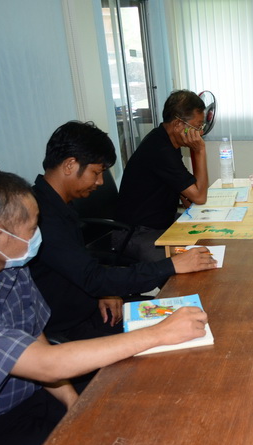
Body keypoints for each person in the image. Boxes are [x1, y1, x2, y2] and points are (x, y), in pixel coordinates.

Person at [0, 171, 209, 445]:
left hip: (37, 398)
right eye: (33, 228)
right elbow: (46, 363)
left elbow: (35, 335)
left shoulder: (10, 269)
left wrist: (71, 402)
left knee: (146, 413)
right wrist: (159, 333)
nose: (39, 236)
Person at [30, 121, 218, 342]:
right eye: (96, 172)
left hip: (92, 308)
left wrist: (102, 293)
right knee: (189, 327)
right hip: (72, 328)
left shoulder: (56, 204)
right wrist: (172, 265)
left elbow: (79, 268)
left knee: (192, 314)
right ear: (70, 165)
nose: (100, 181)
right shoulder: (39, 217)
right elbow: (93, 278)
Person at [115, 89, 210, 262]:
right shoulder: (160, 150)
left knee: (209, 238)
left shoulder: (166, 141)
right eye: (197, 127)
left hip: (160, 224)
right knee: (193, 262)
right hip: (136, 234)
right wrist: (200, 150)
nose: (200, 133)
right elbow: (199, 197)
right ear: (178, 124)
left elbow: (189, 196)